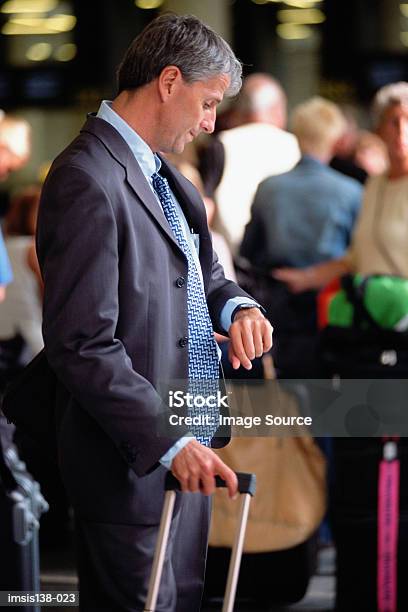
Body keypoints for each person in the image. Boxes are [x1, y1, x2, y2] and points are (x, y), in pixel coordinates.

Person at [36, 14, 272, 612]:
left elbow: (207, 275)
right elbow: (82, 344)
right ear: (169, 81)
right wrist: (169, 442)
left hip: (180, 450)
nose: (210, 122)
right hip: (132, 463)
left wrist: (239, 306)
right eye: (209, 102)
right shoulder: (86, 177)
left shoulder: (169, 179)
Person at [240, 96, 362, 377]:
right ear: (334, 139)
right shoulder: (351, 191)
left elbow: (250, 250)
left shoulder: (269, 188)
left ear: (297, 134)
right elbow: (359, 253)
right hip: (334, 304)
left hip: (279, 303)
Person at [274, 82, 408, 291]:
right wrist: (306, 278)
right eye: (393, 121)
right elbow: (355, 259)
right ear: (379, 129)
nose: (401, 131)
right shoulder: (374, 185)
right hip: (373, 314)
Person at [202, 73, 300, 253]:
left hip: (232, 257)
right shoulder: (294, 144)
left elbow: (206, 205)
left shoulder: (223, 143)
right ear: (277, 109)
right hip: (284, 256)